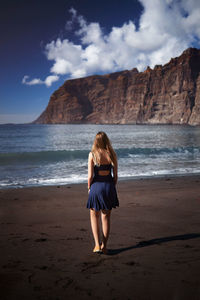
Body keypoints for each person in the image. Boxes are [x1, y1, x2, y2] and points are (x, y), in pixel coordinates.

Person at [87, 131, 119, 254]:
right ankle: (104, 246)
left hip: (96, 187)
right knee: (106, 218)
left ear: (96, 141)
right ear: (106, 140)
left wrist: (89, 188)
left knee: (94, 215)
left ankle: (96, 245)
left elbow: (90, 176)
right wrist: (111, 187)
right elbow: (115, 176)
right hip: (109, 186)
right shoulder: (112, 154)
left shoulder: (92, 155)